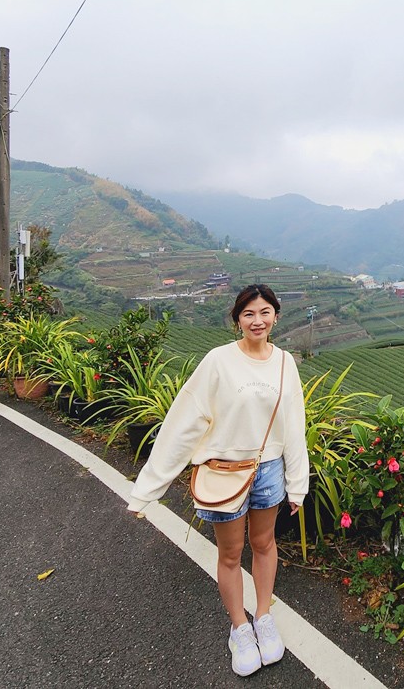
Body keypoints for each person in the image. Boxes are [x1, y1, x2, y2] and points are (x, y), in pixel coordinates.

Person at [127, 284, 308, 677]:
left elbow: (294, 425)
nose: (257, 320)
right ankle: (239, 628)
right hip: (223, 472)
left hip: (269, 470)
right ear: (237, 320)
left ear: (276, 316)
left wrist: (298, 484)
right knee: (230, 554)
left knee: (264, 544)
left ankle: (262, 616)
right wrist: (148, 489)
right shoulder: (218, 361)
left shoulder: (284, 363)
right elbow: (184, 422)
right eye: (248, 314)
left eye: (264, 312)